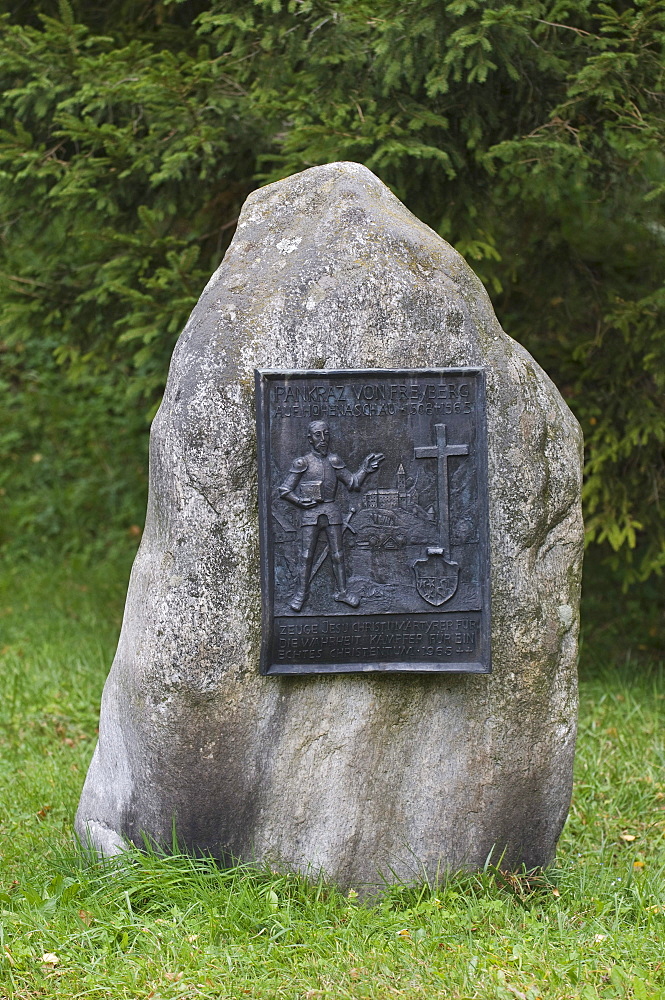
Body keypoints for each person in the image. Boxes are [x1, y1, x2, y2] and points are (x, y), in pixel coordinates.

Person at [279, 420, 384, 611]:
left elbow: (353, 483)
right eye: (318, 435)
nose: (323, 439)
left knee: (338, 554)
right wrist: (300, 501)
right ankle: (301, 594)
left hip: (332, 511)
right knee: (306, 555)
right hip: (310, 513)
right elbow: (285, 490)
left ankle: (342, 592)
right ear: (310, 439)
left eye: (326, 434)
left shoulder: (334, 461)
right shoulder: (302, 462)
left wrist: (365, 470)